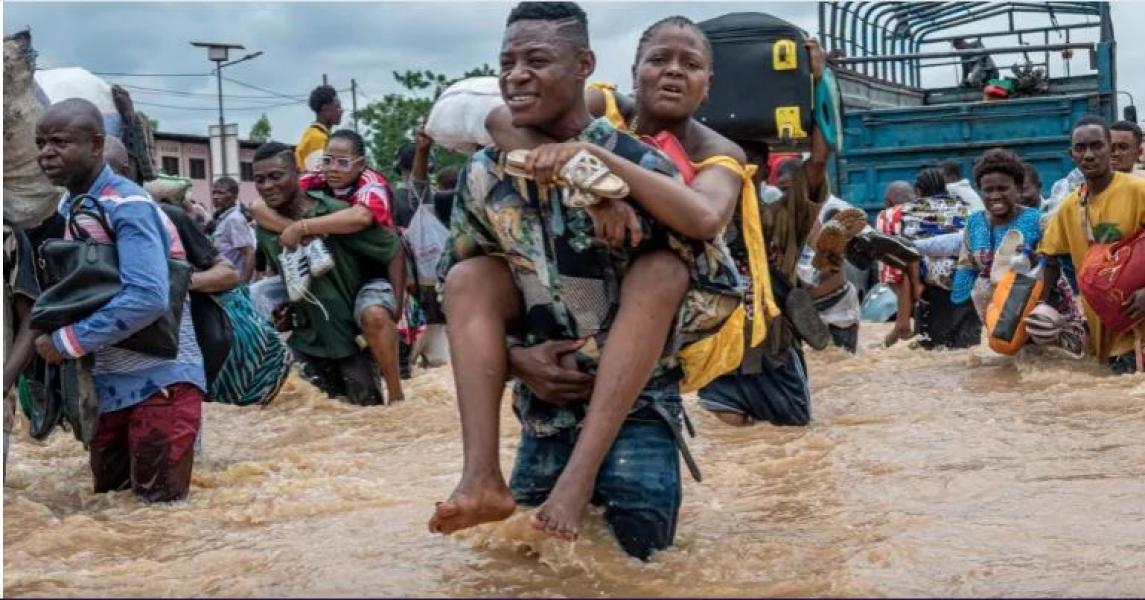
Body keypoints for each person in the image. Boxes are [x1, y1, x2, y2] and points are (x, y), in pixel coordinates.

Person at [431, 3, 742, 559]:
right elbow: (448, 296)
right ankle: (481, 477)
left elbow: (714, 283)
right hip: (544, 412)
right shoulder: (487, 169)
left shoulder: (647, 167)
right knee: (466, 277)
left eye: (536, 60)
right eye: (508, 62)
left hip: (638, 414)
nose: (517, 75)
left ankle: (577, 482)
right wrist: (514, 357)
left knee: (638, 570)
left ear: (583, 66)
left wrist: (599, 170)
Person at [33, 98, 205, 503]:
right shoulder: (70, 207)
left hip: (161, 383)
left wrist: (65, 343)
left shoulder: (126, 204)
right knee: (114, 512)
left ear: (96, 145)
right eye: (40, 143)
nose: (45, 153)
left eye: (59, 142)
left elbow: (147, 297)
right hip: (112, 384)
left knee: (157, 516)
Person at [106, 137, 291, 407]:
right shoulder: (74, 223)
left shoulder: (167, 218)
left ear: (123, 174)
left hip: (190, 355)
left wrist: (171, 282)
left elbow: (227, 274)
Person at [250, 130, 407, 404]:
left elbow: (386, 241)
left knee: (369, 416)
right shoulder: (267, 222)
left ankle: (396, 392)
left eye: (276, 177)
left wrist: (397, 305)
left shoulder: (347, 204)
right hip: (307, 339)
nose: (267, 186)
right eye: (259, 179)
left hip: (350, 330)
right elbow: (273, 264)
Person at [1038, 115, 1145, 374]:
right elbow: (1049, 258)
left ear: (1111, 149)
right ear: (1071, 155)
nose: (1088, 155)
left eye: (1096, 146)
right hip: (1101, 329)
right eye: (1080, 148)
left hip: (1138, 324)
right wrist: (1041, 305)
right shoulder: (1068, 207)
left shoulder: (1138, 191)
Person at [211, 176, 256, 283]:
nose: (215, 197)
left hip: (235, 282)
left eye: (221, 193)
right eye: (214, 193)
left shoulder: (234, 219)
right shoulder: (223, 218)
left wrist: (243, 284)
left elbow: (249, 252)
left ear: (234, 196)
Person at [295, 85, 343, 172]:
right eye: (337, 107)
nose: (341, 110)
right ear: (325, 108)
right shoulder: (318, 138)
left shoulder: (313, 133)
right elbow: (319, 175)